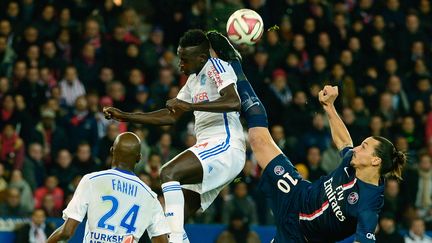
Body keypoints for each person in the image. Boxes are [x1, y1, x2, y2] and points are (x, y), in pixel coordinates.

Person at [208, 32, 407, 243]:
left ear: (375, 160)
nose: (357, 148)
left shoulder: (369, 204)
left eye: (364, 147)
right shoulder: (354, 161)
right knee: (258, 137)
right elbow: (344, 142)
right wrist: (329, 107)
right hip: (296, 192)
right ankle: (234, 63)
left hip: (300, 237)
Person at [103, 29, 246, 243]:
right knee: (171, 222)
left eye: (184, 60)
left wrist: (190, 106)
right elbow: (170, 116)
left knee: (168, 172)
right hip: (210, 152)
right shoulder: (192, 81)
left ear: (201, 57)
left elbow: (234, 101)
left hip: (225, 145)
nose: (180, 65)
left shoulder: (216, 66)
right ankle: (177, 238)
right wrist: (125, 116)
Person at [47, 132, 169, 243]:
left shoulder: (92, 181)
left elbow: (66, 232)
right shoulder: (150, 196)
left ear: (112, 151)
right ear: (139, 158)